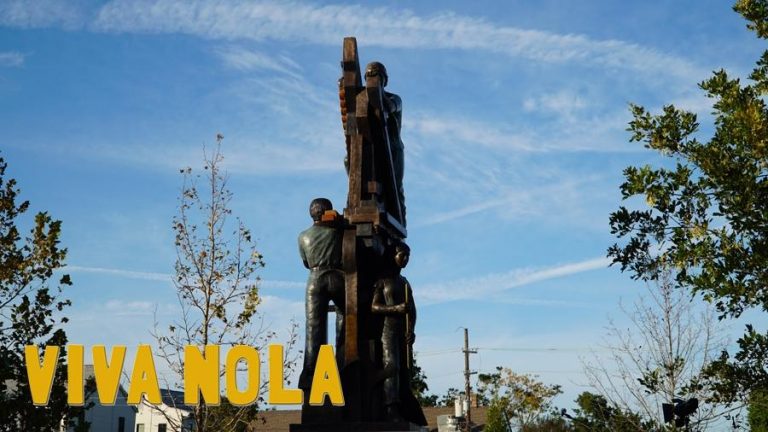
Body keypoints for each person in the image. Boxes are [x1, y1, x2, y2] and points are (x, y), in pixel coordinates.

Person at [371, 243, 425, 425]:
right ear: (393, 256)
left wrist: (411, 330)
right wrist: (396, 308)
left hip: (402, 331)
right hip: (388, 330)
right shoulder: (383, 280)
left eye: (408, 256)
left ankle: (403, 406)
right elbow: (374, 306)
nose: (406, 259)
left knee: (404, 369)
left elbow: (413, 310)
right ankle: (390, 408)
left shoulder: (404, 282)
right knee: (392, 366)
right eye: (403, 255)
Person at [298, 198, 345, 390]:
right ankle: (342, 364)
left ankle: (310, 374)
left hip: (314, 280)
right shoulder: (337, 231)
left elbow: (306, 263)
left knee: (313, 326)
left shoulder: (303, 236)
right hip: (337, 277)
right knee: (345, 316)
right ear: (327, 212)